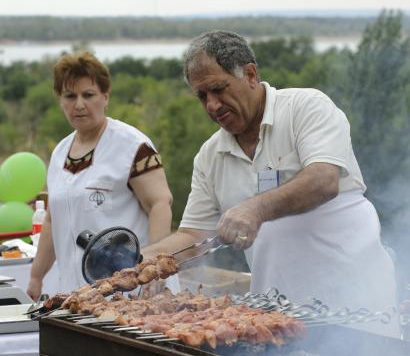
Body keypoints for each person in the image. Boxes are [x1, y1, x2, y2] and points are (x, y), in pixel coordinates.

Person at [142, 30, 398, 336]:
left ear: (250, 74)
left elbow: (324, 179)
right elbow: (193, 233)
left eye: (218, 89)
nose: (211, 105)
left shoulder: (306, 107)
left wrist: (256, 208)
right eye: (201, 96)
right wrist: (149, 259)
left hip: (354, 310)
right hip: (276, 321)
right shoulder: (210, 156)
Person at [27, 51, 177, 299]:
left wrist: (153, 273)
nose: (79, 104)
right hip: (76, 296)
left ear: (105, 97)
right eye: (70, 96)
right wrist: (35, 277)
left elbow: (160, 204)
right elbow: (53, 221)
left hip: (132, 294)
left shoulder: (133, 146)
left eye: (88, 95)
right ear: (60, 101)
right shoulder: (59, 153)